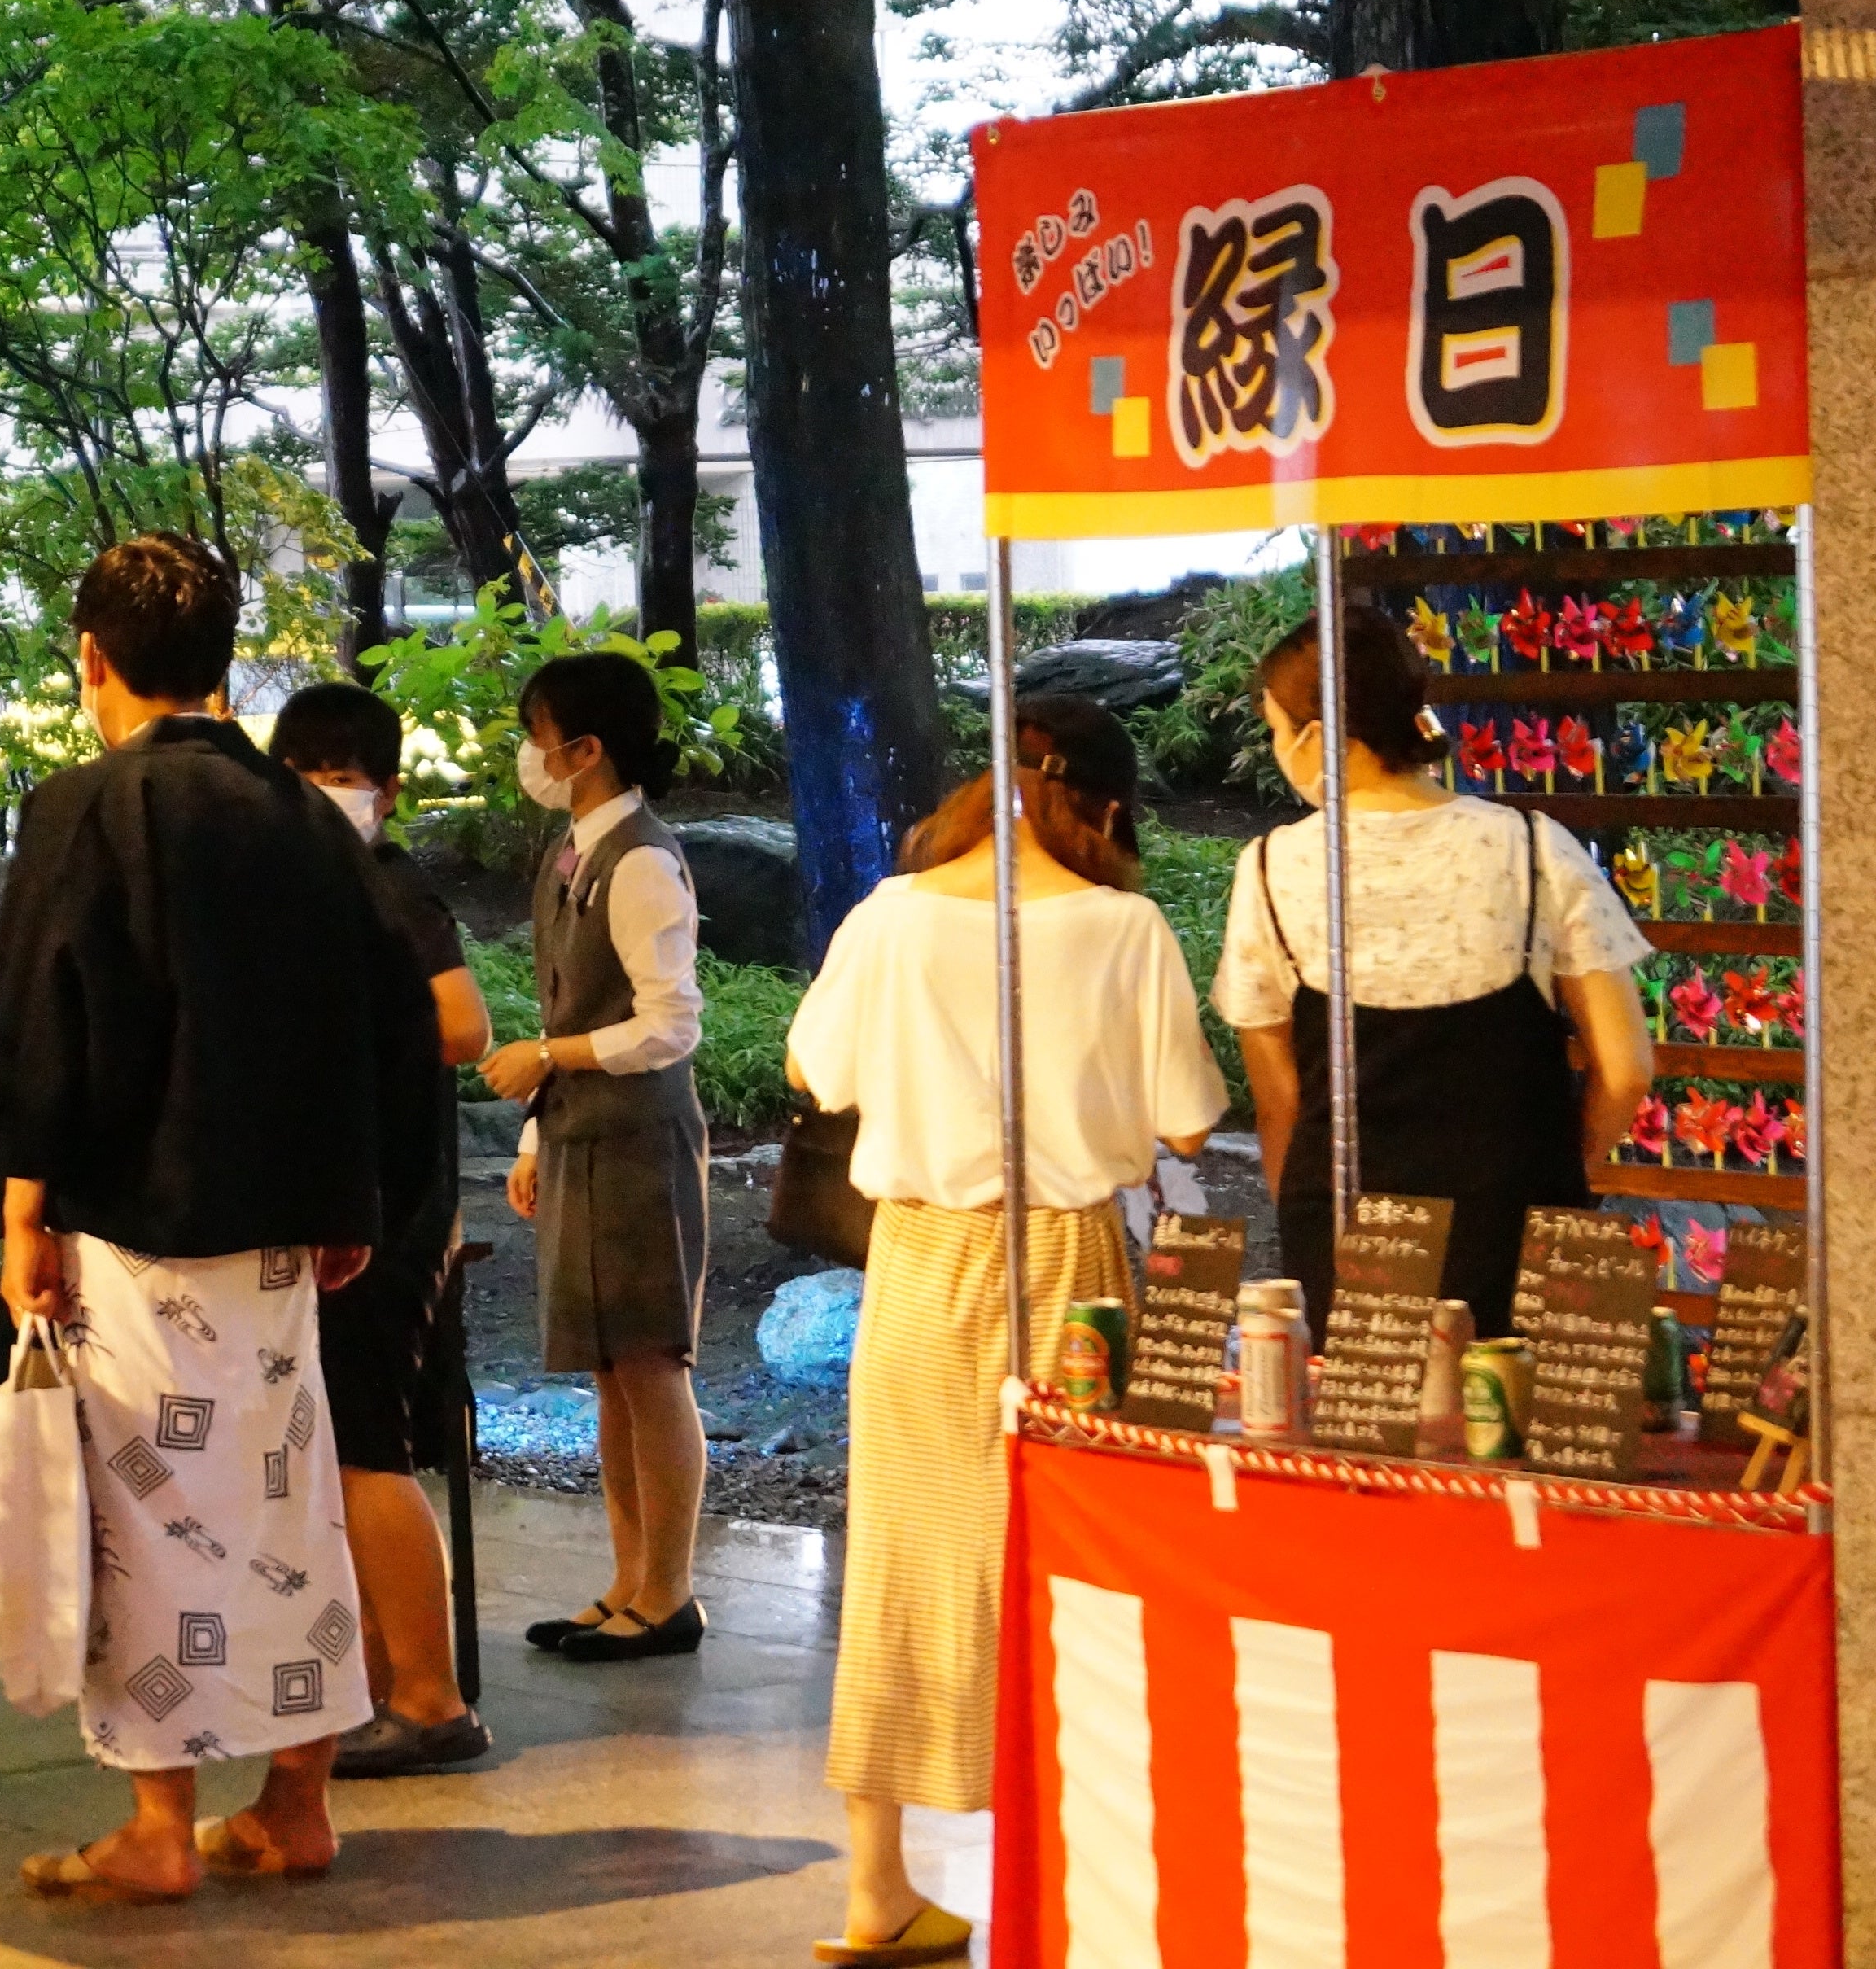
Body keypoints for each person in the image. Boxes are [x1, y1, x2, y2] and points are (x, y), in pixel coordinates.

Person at [0, 532, 444, 1903]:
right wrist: (360, 1192)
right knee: (283, 1504)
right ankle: (296, 1801)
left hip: (138, 1228)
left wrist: (25, 1208)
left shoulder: (85, 809)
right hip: (284, 1239)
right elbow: (392, 1022)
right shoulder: (306, 814)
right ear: (223, 660)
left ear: (91, 658)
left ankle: (155, 1819)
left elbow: (46, 1024)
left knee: (150, 1517)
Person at [786, 695, 1224, 1966]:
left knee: (905, 1565)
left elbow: (818, 1071)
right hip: (1068, 1265)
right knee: (1073, 1565)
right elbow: (1191, 1124)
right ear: (1101, 804)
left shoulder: (887, 918)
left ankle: (878, 1892)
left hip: (919, 1264)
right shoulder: (1124, 927)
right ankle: (1079, 1881)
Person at [1215, 606, 1655, 1338]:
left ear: (1319, 738)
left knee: (1355, 1450)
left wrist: (1314, 1216)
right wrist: (1552, 1180)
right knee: (1511, 1441)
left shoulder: (1269, 870)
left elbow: (1279, 1105)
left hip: (1350, 1244)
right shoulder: (1537, 848)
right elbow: (1629, 1070)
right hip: (1518, 1239)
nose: (1273, 746)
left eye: (1273, 728)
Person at [268, 682, 497, 1777]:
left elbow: (464, 1025)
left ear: (387, 792)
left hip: (390, 1209)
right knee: (343, 1452)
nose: (322, 796)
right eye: (302, 773)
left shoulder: (390, 889)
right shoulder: (313, 895)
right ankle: (370, 1680)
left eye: (341, 776)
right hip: (347, 1205)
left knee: (369, 1449)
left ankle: (431, 1698)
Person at [480, 651, 712, 1664]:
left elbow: (669, 1025)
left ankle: (668, 1591)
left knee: (651, 1362)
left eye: (538, 736)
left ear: (585, 749)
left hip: (638, 1138)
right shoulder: (573, 850)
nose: (528, 756)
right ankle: (625, 1578)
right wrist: (537, 1124)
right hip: (579, 1129)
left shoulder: (644, 860)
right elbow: (567, 1006)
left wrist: (550, 1061)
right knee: (609, 1371)